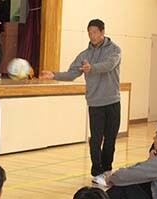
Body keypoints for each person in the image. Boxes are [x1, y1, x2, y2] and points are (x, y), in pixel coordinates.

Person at [40, 19, 121, 186]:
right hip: (95, 103)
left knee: (111, 139)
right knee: (96, 139)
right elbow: (71, 74)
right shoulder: (84, 55)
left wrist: (93, 68)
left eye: (95, 32)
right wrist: (54, 75)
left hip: (113, 101)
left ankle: (107, 169)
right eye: (90, 33)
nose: (92, 36)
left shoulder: (115, 50)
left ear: (102, 32)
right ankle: (97, 172)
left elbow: (109, 65)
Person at [106, 121, 157, 199]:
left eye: (156, 135)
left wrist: (111, 178)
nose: (154, 138)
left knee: (124, 186)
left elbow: (131, 174)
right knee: (138, 181)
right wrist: (151, 162)